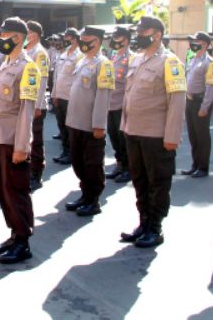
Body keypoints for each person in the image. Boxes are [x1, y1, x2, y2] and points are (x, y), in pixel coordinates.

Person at [120, 16, 186, 248]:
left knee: (158, 182)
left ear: (157, 34)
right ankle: (143, 222)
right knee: (139, 180)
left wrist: (172, 136)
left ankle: (155, 227)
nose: (139, 35)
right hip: (134, 131)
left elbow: (177, 101)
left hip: (156, 135)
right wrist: (124, 126)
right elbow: (129, 95)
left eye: (143, 31)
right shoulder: (137, 60)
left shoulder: (170, 62)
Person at [0, 17, 39, 264]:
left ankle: (23, 241)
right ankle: (13, 233)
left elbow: (26, 111)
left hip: (13, 139)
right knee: (4, 188)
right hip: (0, 136)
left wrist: (22, 146)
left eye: (5, 35)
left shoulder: (28, 68)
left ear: (18, 37)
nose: (1, 39)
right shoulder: (6, 63)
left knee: (16, 189)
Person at [64, 27, 114, 216]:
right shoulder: (82, 60)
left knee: (92, 163)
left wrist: (99, 125)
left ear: (98, 41)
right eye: (82, 39)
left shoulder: (104, 64)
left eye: (87, 40)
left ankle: (93, 200)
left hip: (91, 124)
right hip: (75, 121)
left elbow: (103, 97)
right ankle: (84, 195)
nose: (83, 43)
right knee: (78, 162)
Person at [181, 32, 213, 178]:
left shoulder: (210, 62)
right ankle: (195, 164)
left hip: (200, 101)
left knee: (202, 136)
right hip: (189, 101)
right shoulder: (192, 59)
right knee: (193, 135)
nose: (192, 43)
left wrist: (205, 106)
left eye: (195, 41)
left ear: (204, 44)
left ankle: (203, 167)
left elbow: (210, 87)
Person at [24, 21, 50, 191]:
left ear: (36, 34)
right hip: (25, 102)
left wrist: (37, 105)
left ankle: (36, 174)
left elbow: (42, 80)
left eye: (29, 32)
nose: (27, 35)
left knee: (36, 141)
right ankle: (28, 171)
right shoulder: (26, 50)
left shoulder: (40, 53)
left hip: (35, 104)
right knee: (26, 140)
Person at [105, 27, 133, 183]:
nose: (115, 42)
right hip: (110, 103)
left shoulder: (131, 58)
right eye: (114, 38)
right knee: (114, 136)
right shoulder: (114, 56)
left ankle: (128, 168)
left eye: (118, 39)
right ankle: (120, 164)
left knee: (123, 139)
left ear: (126, 41)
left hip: (121, 105)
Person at [52, 28, 82, 165]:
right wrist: (54, 94)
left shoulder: (79, 55)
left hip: (71, 97)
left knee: (71, 127)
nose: (64, 39)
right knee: (62, 125)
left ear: (75, 38)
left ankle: (72, 153)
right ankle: (65, 151)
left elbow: (78, 79)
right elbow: (57, 76)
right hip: (60, 94)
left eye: (68, 37)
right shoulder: (63, 54)